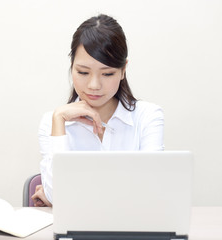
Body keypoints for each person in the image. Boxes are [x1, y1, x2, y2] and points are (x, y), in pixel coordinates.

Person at [31, 14, 164, 207]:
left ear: (123, 70)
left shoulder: (148, 117)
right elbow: (59, 198)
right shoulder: (52, 122)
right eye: (83, 72)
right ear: (72, 67)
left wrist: (71, 196)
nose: (94, 85)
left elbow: (152, 193)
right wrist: (59, 119)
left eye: (107, 73)